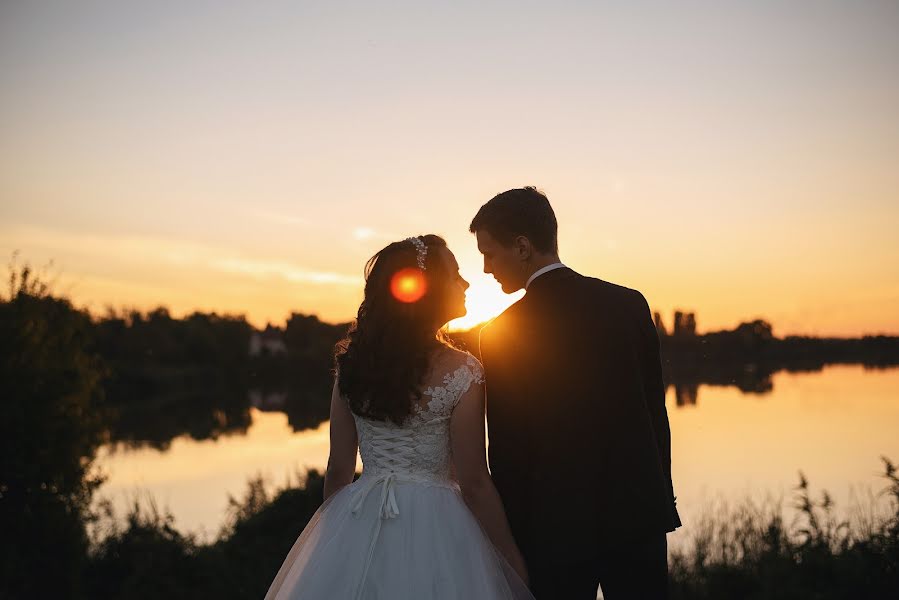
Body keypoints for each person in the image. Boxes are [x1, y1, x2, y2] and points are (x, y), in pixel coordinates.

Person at [263, 234, 534, 600]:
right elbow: (474, 483)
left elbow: (339, 470)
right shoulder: (464, 371)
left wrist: (334, 546)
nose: (467, 282)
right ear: (433, 289)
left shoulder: (352, 365)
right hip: (438, 526)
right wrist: (512, 561)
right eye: (455, 274)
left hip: (360, 514)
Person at [471, 187, 681, 599]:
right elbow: (656, 414)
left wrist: (511, 542)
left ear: (523, 246)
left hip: (554, 529)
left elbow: (509, 450)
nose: (485, 269)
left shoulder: (500, 333)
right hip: (638, 515)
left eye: (489, 254)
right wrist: (660, 495)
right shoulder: (628, 305)